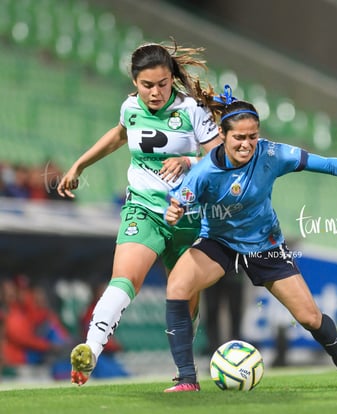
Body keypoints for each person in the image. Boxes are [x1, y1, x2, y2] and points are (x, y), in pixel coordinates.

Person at [163, 85, 337, 392]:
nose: (247, 144)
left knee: (310, 317)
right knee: (177, 286)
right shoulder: (203, 173)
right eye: (239, 138)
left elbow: (326, 163)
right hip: (219, 243)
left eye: (252, 136)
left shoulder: (272, 154)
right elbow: (178, 204)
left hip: (265, 246)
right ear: (222, 134)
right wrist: (174, 212)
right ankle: (187, 380)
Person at [57, 40, 222, 385]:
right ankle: (90, 349)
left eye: (162, 84)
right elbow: (120, 135)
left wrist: (188, 160)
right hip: (143, 209)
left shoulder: (192, 110)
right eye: (147, 85)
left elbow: (221, 158)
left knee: (183, 301)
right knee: (125, 279)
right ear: (135, 82)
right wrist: (79, 165)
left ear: (171, 78)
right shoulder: (130, 107)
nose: (155, 92)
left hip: (186, 216)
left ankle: (185, 374)